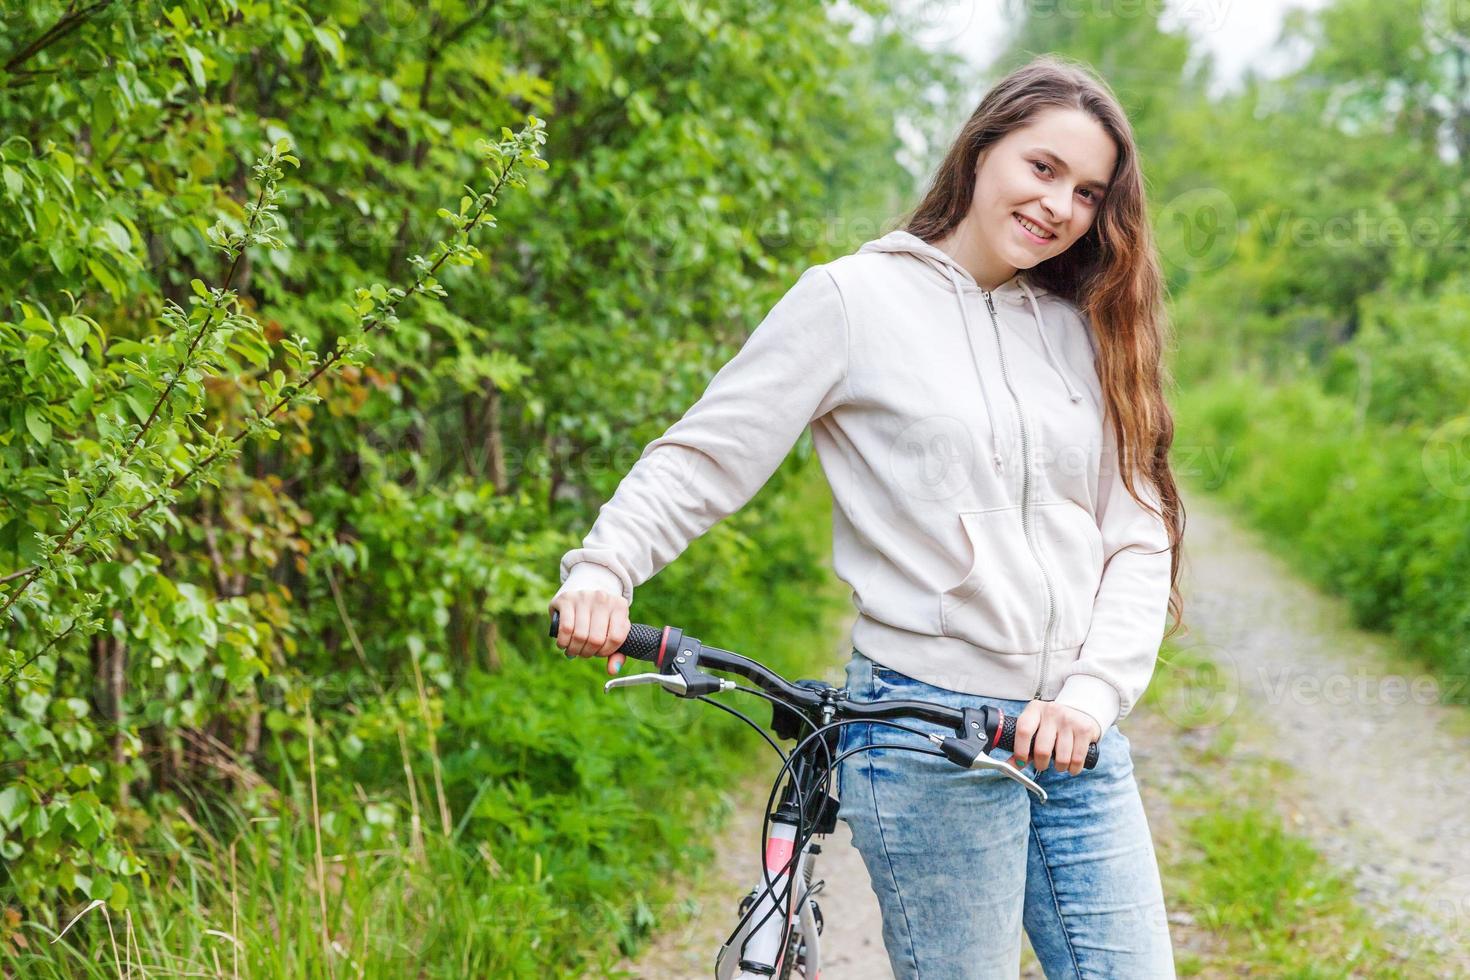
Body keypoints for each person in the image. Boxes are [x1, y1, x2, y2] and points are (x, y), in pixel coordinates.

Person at [549, 53, 1185, 979]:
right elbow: (706, 456)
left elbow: (1136, 531)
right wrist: (604, 569)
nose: (1060, 206)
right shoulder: (853, 300)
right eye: (1042, 168)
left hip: (1077, 742)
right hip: (929, 740)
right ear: (982, 151)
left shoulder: (1083, 326)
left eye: (1088, 193)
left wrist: (1090, 698)